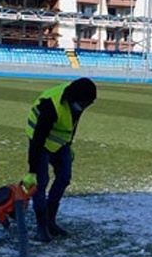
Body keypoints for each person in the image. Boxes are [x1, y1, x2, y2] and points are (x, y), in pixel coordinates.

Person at [22, 77, 97, 242]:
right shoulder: (50, 106)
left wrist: (68, 144)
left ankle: (50, 221)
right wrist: (32, 171)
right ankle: (41, 227)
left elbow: (72, 124)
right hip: (40, 140)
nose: (85, 107)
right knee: (41, 182)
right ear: (74, 99)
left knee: (64, 177)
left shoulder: (78, 101)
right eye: (84, 104)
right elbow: (38, 140)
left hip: (60, 142)